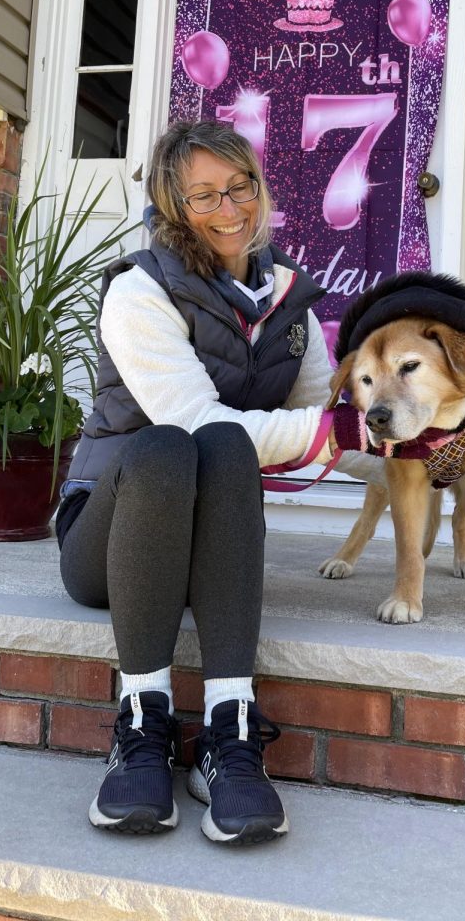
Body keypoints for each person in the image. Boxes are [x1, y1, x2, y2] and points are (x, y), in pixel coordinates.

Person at [54, 120, 384, 846]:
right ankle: (142, 721)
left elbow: (318, 421)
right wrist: (343, 432)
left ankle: (228, 735)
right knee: (181, 442)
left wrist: (417, 449)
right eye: (204, 195)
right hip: (112, 535)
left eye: (240, 187)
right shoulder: (140, 290)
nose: (230, 208)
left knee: (230, 449)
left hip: (208, 546)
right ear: (174, 206)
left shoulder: (286, 298)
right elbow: (200, 420)